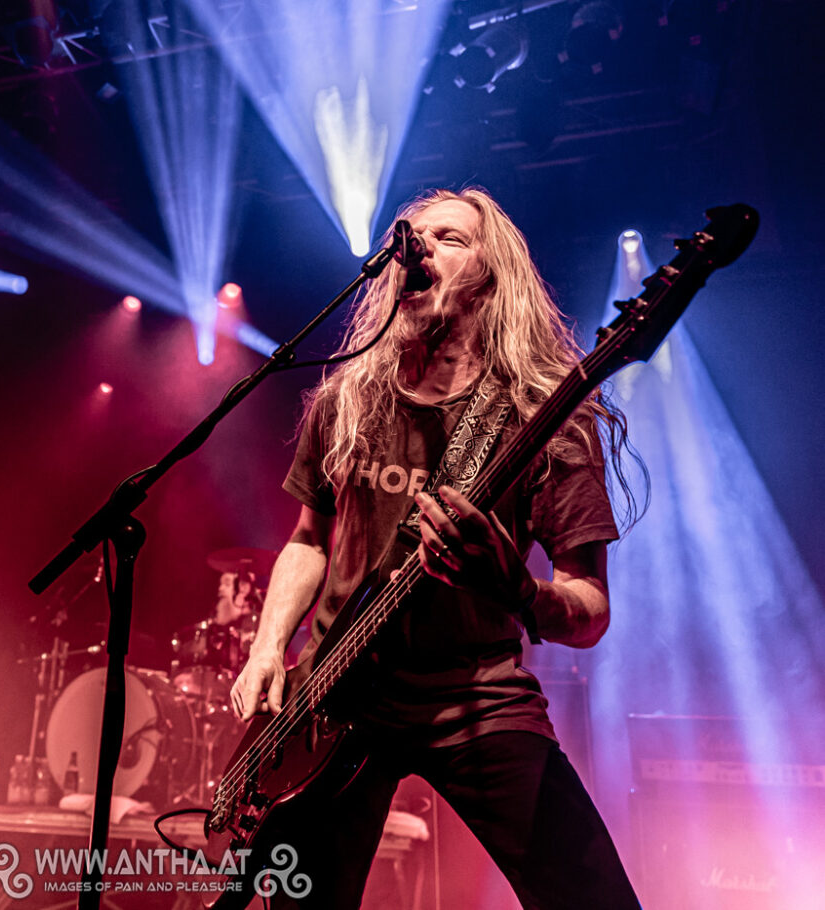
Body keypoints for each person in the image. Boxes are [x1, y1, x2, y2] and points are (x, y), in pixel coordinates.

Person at [230, 188, 643, 909]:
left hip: (475, 694)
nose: (417, 247)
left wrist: (515, 587)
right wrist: (268, 647)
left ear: (491, 276)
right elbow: (307, 540)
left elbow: (590, 612)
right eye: (410, 236)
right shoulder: (346, 398)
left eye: (449, 238)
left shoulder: (543, 417)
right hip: (335, 696)